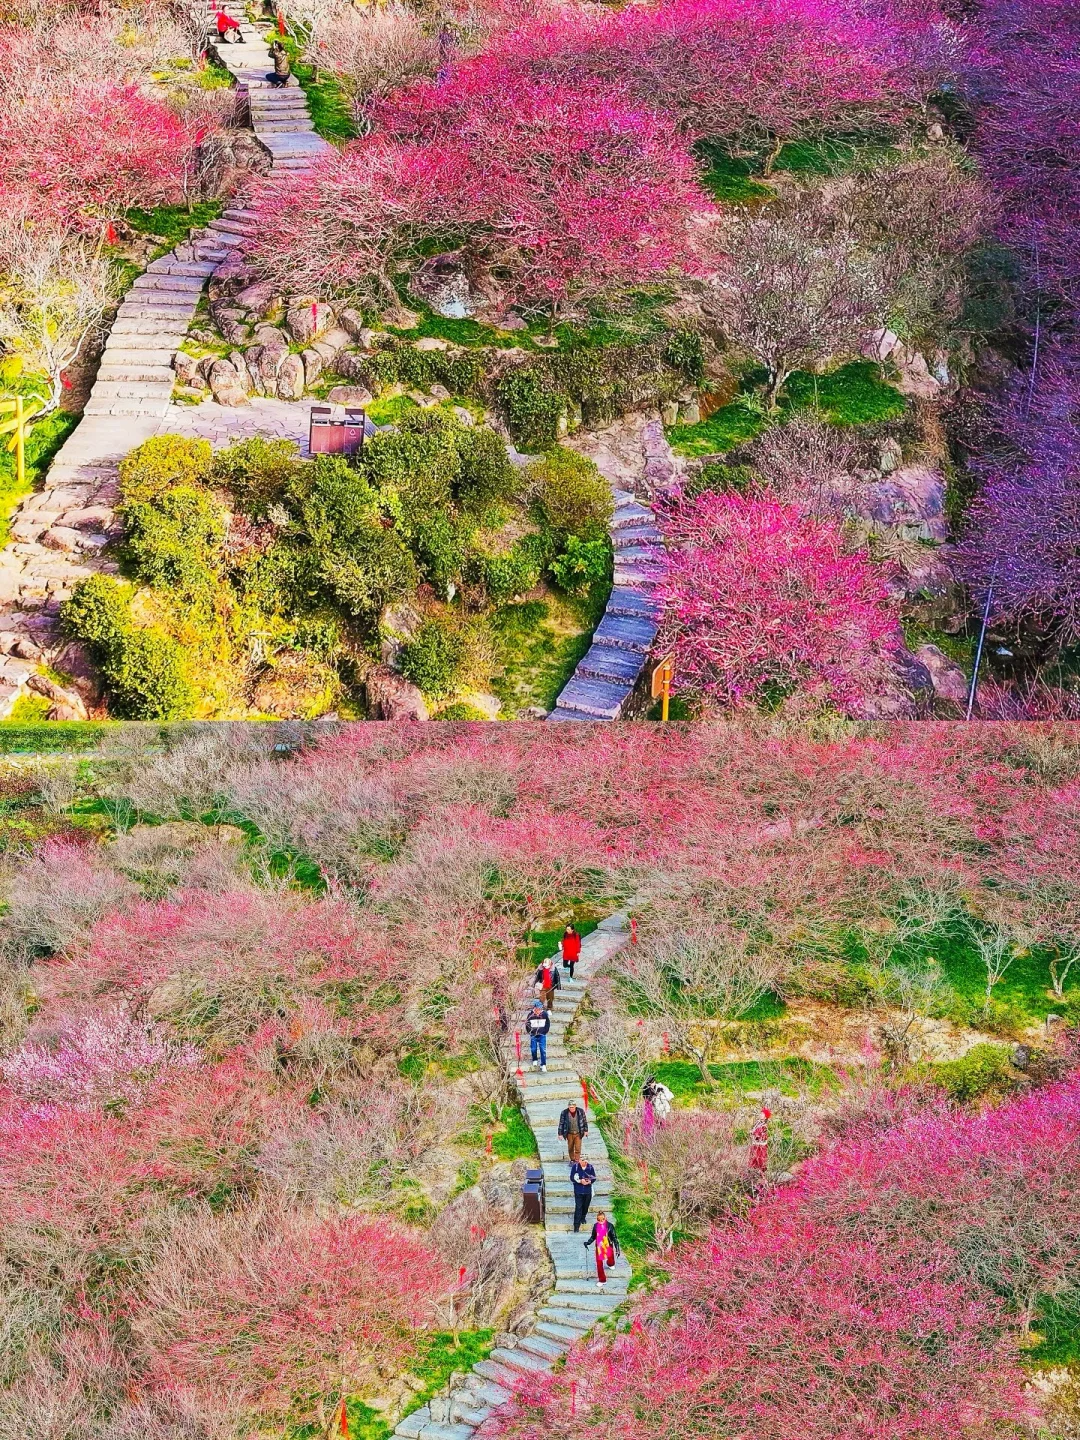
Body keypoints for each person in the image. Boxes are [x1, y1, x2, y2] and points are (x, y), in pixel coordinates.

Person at [583, 1211, 620, 1286]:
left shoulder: (610, 1226)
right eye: (598, 1220)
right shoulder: (595, 1226)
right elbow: (593, 1236)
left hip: (607, 1245)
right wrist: (588, 1242)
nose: (600, 1221)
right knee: (599, 1263)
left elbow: (614, 1238)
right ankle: (602, 1280)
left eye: (602, 1219)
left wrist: (617, 1249)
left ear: (605, 1218)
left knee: (610, 1258)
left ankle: (610, 1264)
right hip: (599, 1247)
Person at [570, 1157, 596, 1233]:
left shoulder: (590, 1167)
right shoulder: (575, 1167)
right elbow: (572, 1178)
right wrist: (580, 1181)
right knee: (578, 1207)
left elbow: (594, 1177)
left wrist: (589, 1181)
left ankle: (583, 1216)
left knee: (586, 1205)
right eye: (581, 1160)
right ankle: (576, 1225)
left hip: (587, 1191)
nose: (582, 1162)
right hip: (578, 1190)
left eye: (584, 1160)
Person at [525, 998, 549, 1072]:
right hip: (533, 1035)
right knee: (533, 1048)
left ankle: (543, 1064)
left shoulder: (544, 1014)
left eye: (540, 1009)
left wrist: (545, 1031)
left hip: (542, 1034)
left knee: (543, 1049)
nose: (539, 1011)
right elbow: (527, 1025)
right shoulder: (530, 1015)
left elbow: (547, 1024)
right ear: (535, 1008)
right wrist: (531, 1032)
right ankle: (534, 1059)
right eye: (538, 1009)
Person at [749, 1105, 770, 1172]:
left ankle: (761, 1173)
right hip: (755, 1144)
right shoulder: (758, 1122)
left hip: (760, 1146)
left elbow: (759, 1135)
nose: (760, 1115)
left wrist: (753, 1134)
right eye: (760, 1113)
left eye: (762, 1114)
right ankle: (753, 1172)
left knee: (760, 1159)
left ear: (765, 1117)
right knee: (754, 1158)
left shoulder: (764, 1125)